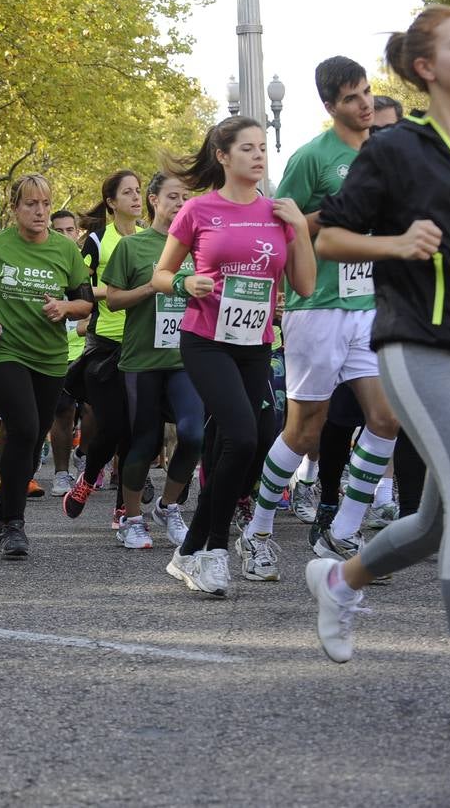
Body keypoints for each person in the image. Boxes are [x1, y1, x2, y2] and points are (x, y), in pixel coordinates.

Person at [305, 4, 450, 721]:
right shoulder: (395, 149)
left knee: (443, 520)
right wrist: (398, 243)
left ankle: (342, 581)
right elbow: (331, 240)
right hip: (413, 341)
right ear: (424, 66)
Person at [240, 57, 400, 581]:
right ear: (330, 106)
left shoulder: (386, 155)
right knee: (305, 430)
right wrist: (335, 213)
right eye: (353, 97)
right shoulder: (313, 157)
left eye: (368, 93)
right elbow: (282, 227)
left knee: (386, 418)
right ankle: (258, 531)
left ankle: (344, 530)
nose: (364, 105)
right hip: (318, 308)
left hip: (369, 306)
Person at [151, 116, 316, 596]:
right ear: (223, 156)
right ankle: (216, 552)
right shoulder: (199, 210)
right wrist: (186, 282)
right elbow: (162, 275)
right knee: (241, 437)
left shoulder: (278, 213)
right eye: (247, 148)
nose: (259, 156)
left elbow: (304, 285)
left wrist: (300, 229)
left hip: (255, 344)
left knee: (253, 441)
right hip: (205, 339)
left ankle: (189, 553)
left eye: (263, 147)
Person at [0, 173, 93, 558]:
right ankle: (14, 524)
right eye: (31, 204)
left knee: (32, 441)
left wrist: (65, 307)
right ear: (15, 208)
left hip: (49, 357)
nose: (40, 211)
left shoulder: (65, 252)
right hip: (4, 350)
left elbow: (85, 303)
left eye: (45, 204)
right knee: (25, 427)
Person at [100, 172, 199, 549]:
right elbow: (113, 300)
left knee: (193, 436)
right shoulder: (133, 246)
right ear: (154, 200)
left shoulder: (198, 248)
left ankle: (169, 507)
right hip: (142, 359)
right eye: (172, 196)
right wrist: (155, 284)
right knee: (144, 441)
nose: (179, 203)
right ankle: (131, 518)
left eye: (185, 198)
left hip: (185, 358)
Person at [62, 170, 145, 519]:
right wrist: (117, 293)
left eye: (139, 191)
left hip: (143, 344)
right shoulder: (98, 240)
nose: (136, 198)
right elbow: (78, 288)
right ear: (112, 202)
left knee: (137, 428)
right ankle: (90, 476)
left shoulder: (150, 239)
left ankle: (124, 507)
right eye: (128, 193)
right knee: (114, 425)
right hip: (105, 343)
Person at [47, 209, 89, 496]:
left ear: (78, 233)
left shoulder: (89, 261)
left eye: (69, 230)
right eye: (58, 230)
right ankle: (61, 474)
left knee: (95, 411)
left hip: (90, 347)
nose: (65, 235)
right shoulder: (44, 260)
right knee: (63, 413)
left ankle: (85, 454)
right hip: (58, 348)